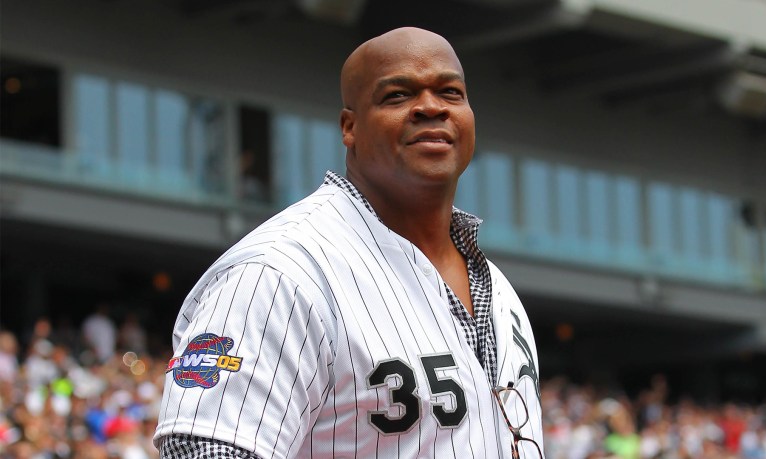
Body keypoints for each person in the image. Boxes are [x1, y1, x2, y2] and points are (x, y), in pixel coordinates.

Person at [154, 27, 544, 458]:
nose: (431, 107)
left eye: (450, 92)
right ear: (350, 127)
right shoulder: (279, 271)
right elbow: (203, 448)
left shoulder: (499, 290)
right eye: (398, 95)